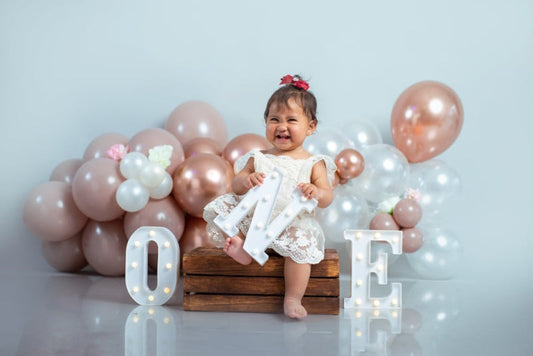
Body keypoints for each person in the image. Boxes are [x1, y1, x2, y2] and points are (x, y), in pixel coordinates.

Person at [203, 74, 336, 319]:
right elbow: (236, 184)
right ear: (265, 122)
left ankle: (293, 297)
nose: (281, 126)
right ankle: (243, 250)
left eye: (292, 120)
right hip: (257, 220)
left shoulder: (313, 163)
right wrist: (247, 180)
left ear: (311, 126)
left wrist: (316, 191)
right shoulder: (259, 157)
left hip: (290, 223)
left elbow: (327, 196)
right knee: (224, 207)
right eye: (274, 119)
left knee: (301, 250)